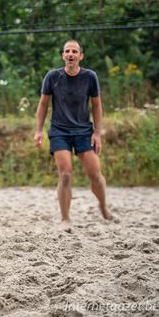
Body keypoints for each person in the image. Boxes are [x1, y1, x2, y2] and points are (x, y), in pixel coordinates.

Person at [34, 39, 113, 224]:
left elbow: (96, 105)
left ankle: (103, 206)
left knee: (95, 174)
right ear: (63, 55)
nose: (71, 54)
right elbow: (43, 104)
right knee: (66, 174)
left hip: (84, 131)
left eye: (74, 51)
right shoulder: (52, 77)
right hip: (59, 131)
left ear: (80, 56)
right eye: (67, 51)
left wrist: (97, 133)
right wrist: (38, 130)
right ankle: (65, 218)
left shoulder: (90, 77)